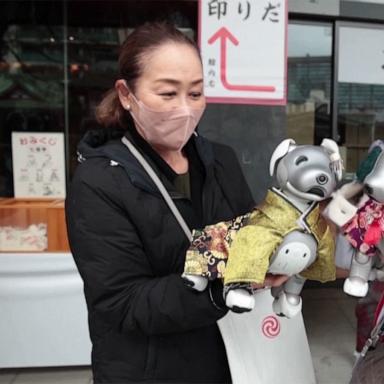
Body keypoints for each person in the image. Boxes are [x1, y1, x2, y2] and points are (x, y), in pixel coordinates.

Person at [65, 21, 287, 384]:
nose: (185, 109)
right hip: (148, 370)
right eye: (168, 94)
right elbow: (123, 302)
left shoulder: (221, 161)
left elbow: (250, 235)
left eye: (196, 94)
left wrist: (280, 254)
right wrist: (223, 289)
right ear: (126, 93)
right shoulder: (99, 182)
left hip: (235, 359)